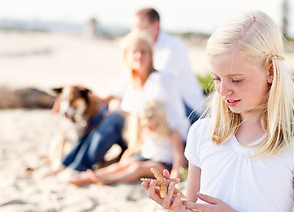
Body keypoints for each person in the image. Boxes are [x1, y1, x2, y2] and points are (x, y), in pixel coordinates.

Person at [142, 11, 294, 212]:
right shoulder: (203, 133)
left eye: (236, 80)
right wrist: (174, 208)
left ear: (270, 71)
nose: (223, 90)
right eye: (216, 78)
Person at [48, 33, 188, 179]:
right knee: (102, 117)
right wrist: (66, 100)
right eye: (135, 52)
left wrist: (119, 112)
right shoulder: (130, 78)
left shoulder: (158, 81)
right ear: (127, 55)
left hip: (166, 140)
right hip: (142, 135)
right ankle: (68, 163)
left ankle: (78, 166)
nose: (139, 56)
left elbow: (151, 116)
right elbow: (102, 99)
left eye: (143, 52)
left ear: (151, 56)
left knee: (112, 118)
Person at [108, 8, 205, 125]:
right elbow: (125, 80)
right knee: (104, 113)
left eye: (140, 27)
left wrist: (121, 103)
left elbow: (156, 84)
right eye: (133, 27)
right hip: (159, 102)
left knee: (116, 118)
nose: (135, 32)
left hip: (188, 109)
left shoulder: (173, 46)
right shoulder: (141, 48)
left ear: (156, 26)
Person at [69, 99, 180, 186]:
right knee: (120, 166)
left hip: (163, 164)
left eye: (154, 126)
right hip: (145, 157)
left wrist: (175, 172)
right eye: (148, 126)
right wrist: (124, 160)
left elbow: (178, 156)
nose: (151, 129)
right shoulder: (146, 130)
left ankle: (110, 179)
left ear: (161, 120)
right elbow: (134, 149)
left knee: (137, 168)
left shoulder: (171, 132)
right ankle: (89, 177)